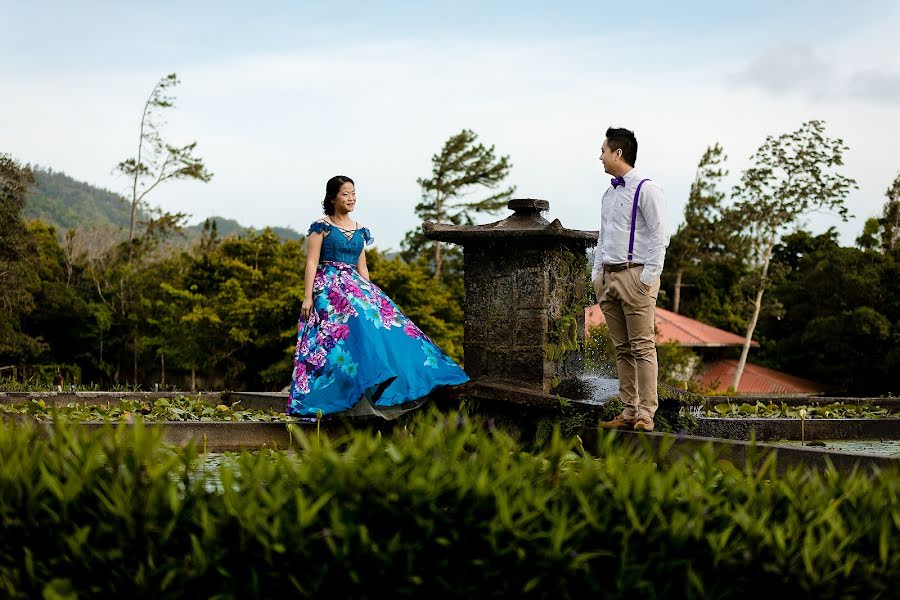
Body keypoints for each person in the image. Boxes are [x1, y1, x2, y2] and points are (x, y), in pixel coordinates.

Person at [287, 175, 469, 418]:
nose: (351, 198)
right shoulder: (321, 227)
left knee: (389, 326)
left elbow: (362, 267)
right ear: (332, 198)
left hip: (356, 287)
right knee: (342, 341)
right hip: (329, 288)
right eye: (345, 193)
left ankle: (404, 377)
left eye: (353, 193)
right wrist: (307, 297)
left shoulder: (360, 230)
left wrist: (371, 297)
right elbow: (311, 262)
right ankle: (336, 395)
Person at [592, 127, 669, 432]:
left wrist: (648, 277)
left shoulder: (647, 189)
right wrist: (596, 276)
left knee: (642, 347)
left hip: (636, 276)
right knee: (622, 348)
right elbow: (603, 238)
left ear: (617, 153)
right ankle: (628, 412)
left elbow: (660, 235)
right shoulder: (609, 194)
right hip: (609, 278)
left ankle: (646, 414)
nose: (600, 156)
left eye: (603, 150)